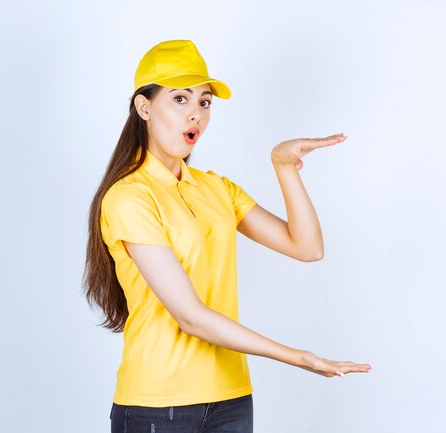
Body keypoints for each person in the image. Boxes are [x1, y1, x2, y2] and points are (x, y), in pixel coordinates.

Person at [83, 39, 371, 433]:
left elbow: (307, 247)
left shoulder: (215, 188)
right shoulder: (129, 197)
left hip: (231, 398)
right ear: (144, 107)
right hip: (158, 404)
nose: (195, 116)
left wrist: (284, 167)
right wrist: (298, 357)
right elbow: (190, 317)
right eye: (180, 100)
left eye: (204, 103)